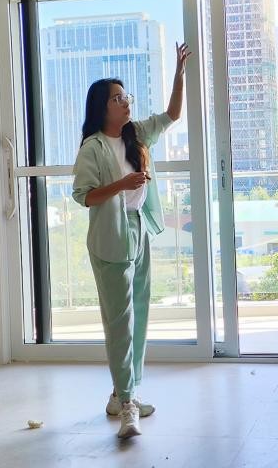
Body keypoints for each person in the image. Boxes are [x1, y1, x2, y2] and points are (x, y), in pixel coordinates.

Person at [72, 42, 192, 439]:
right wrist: (121, 184)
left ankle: (124, 393)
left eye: (127, 97)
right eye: (118, 98)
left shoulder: (135, 134)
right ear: (101, 107)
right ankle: (127, 404)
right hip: (110, 234)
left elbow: (173, 114)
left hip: (138, 228)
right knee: (119, 321)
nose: (126, 103)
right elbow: (84, 196)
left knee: (138, 315)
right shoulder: (92, 147)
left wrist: (179, 74)